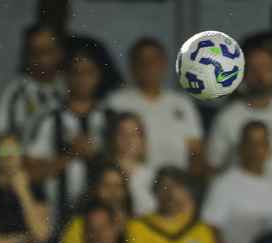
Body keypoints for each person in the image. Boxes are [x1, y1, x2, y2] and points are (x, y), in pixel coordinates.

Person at [25, 50, 111, 227]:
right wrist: (71, 155)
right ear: (65, 77)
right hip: (57, 218)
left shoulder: (110, 118)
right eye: (76, 73)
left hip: (103, 222)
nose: (82, 79)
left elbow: (122, 169)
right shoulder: (48, 119)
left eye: (88, 73)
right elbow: (30, 173)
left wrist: (95, 156)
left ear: (98, 76)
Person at [205, 38, 272, 183]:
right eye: (254, 69)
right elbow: (212, 167)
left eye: (266, 68)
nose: (260, 76)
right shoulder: (227, 117)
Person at [104, 37, 204, 176]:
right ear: (132, 66)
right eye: (142, 61)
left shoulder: (182, 103)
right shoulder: (117, 102)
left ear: (164, 63)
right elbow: (109, 149)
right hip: (132, 180)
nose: (148, 66)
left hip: (175, 183)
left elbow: (196, 151)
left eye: (154, 60)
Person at [202, 121, 272, 243]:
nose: (256, 149)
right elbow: (211, 230)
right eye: (251, 143)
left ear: (269, 148)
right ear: (241, 148)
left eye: (261, 143)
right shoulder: (224, 184)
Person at [0, 134, 51, 243]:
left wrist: (23, 192)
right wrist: (24, 239)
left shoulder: (34, 186)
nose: (9, 156)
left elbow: (41, 234)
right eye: (3, 151)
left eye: (13, 150)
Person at [0, 23, 66, 139]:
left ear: (60, 52)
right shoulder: (15, 92)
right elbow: (4, 138)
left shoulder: (71, 86)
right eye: (35, 52)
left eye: (48, 50)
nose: (42, 58)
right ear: (27, 55)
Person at [57, 162, 132, 243]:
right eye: (106, 185)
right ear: (95, 189)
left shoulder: (133, 223)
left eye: (118, 186)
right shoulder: (79, 224)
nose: (113, 192)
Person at [105, 112, 155, 216]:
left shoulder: (153, 175)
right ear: (113, 138)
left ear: (142, 140)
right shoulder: (102, 174)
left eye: (134, 134)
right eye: (122, 133)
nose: (128, 139)